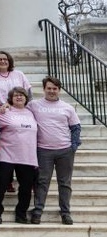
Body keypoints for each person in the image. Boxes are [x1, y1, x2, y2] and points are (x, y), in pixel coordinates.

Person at [29, 76, 81, 225]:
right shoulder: (34, 105)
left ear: (59, 90)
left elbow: (76, 127)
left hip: (65, 151)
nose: (52, 91)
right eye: (49, 88)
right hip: (43, 150)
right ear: (44, 89)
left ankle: (65, 213)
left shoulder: (67, 107)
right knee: (42, 182)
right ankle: (37, 211)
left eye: (55, 89)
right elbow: (18, 109)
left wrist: (73, 147)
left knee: (65, 183)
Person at [0, 87, 40, 224]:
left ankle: (21, 213)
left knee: (25, 188)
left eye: (21, 95)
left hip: (27, 156)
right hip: (6, 154)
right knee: (1, 185)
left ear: (26, 98)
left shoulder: (31, 113)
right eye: (15, 96)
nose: (19, 97)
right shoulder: (5, 111)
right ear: (10, 99)